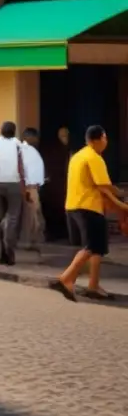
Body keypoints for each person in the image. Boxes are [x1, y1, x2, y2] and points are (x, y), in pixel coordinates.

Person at [52, 125, 128, 302]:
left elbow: (100, 187)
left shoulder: (78, 156)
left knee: (96, 247)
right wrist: (122, 205)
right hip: (88, 207)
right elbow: (105, 188)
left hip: (74, 205)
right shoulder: (94, 158)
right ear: (97, 139)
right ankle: (66, 279)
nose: (106, 141)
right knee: (91, 247)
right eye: (105, 138)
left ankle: (93, 285)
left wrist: (119, 201)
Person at [0, 121, 26, 266]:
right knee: (12, 220)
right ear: (14, 131)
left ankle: (1, 249)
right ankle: (9, 251)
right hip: (15, 185)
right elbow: (24, 167)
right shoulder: (19, 145)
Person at [41, 126, 71, 241]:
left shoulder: (68, 150)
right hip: (54, 185)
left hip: (62, 185)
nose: (65, 138)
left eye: (66, 136)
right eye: (62, 136)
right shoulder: (53, 151)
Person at [20, 128, 46, 252]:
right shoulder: (28, 151)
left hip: (29, 187)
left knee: (31, 216)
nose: (37, 140)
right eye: (35, 137)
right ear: (28, 137)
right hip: (30, 187)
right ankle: (30, 242)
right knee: (33, 216)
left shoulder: (24, 150)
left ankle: (30, 241)